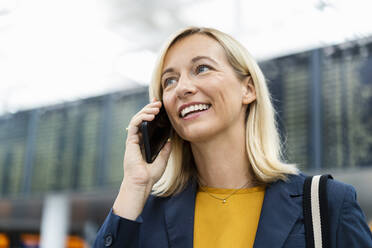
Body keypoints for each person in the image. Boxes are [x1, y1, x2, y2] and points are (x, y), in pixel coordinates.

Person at [93, 27, 372, 248]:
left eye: (201, 68)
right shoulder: (144, 215)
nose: (183, 88)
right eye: (170, 80)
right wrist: (135, 185)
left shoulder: (327, 204)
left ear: (248, 89)